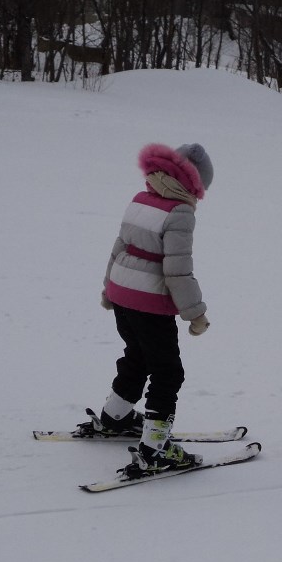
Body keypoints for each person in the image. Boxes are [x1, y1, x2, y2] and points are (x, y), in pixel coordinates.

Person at [89, 142, 214, 474]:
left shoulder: (140, 200)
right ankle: (155, 447)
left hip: (122, 294)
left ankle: (115, 418)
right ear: (194, 183)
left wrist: (108, 291)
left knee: (138, 355)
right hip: (148, 302)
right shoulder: (180, 212)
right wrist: (195, 314)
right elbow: (176, 270)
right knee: (168, 371)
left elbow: (119, 248)